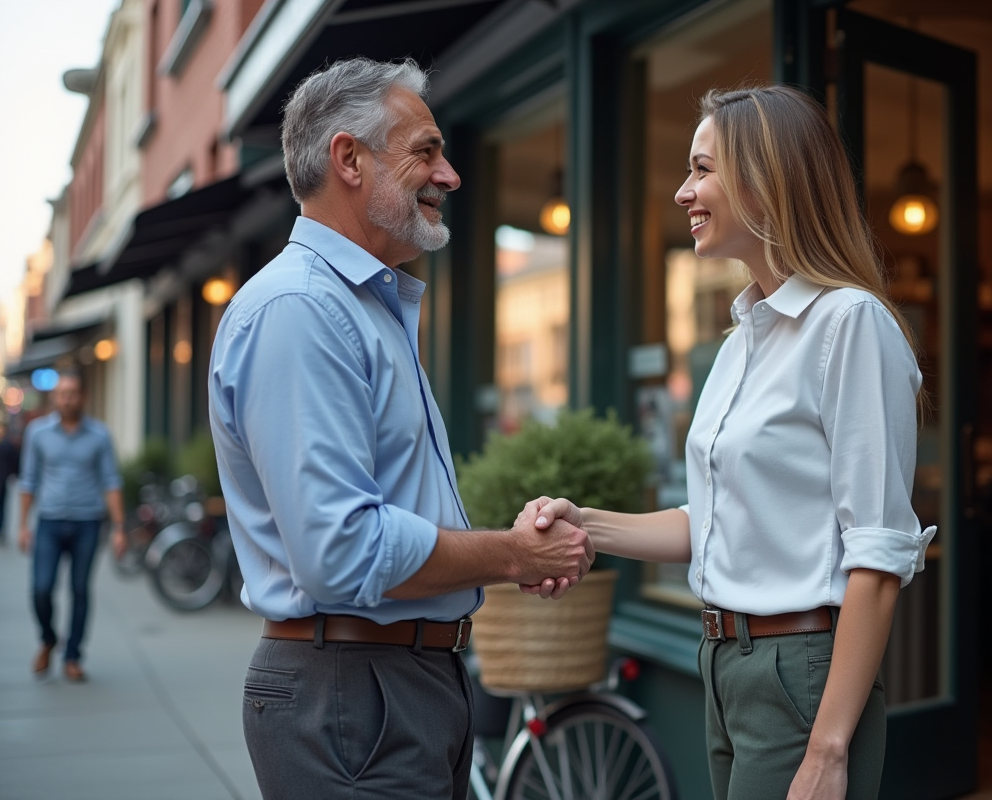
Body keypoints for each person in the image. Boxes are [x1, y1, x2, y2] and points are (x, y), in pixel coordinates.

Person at [523, 85, 936, 800]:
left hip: (800, 667)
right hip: (722, 663)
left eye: (702, 169)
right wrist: (582, 526)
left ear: (769, 179)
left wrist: (830, 747)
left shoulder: (849, 325)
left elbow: (877, 551)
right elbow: (709, 521)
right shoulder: (742, 340)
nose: (684, 192)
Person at [207, 57, 592, 800]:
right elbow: (341, 550)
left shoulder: (355, 307)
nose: (448, 174)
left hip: (389, 686)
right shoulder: (301, 311)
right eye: (426, 151)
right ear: (348, 158)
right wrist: (511, 554)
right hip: (357, 693)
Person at [18, 371, 126, 682]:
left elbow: (110, 481)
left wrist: (119, 527)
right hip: (49, 522)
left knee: (80, 591)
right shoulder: (37, 433)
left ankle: (73, 656)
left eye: (73, 393)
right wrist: (23, 525)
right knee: (41, 589)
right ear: (55, 397)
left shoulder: (100, 435)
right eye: (62, 393)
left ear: (83, 397)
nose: (67, 399)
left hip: (87, 523)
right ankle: (49, 638)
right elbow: (29, 481)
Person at [0, 420, 20, 544]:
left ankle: (1, 529)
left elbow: (14, 461)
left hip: (2, 481)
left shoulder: (8, 445)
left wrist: (13, 474)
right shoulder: (8, 444)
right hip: (3, 480)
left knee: (2, 507)